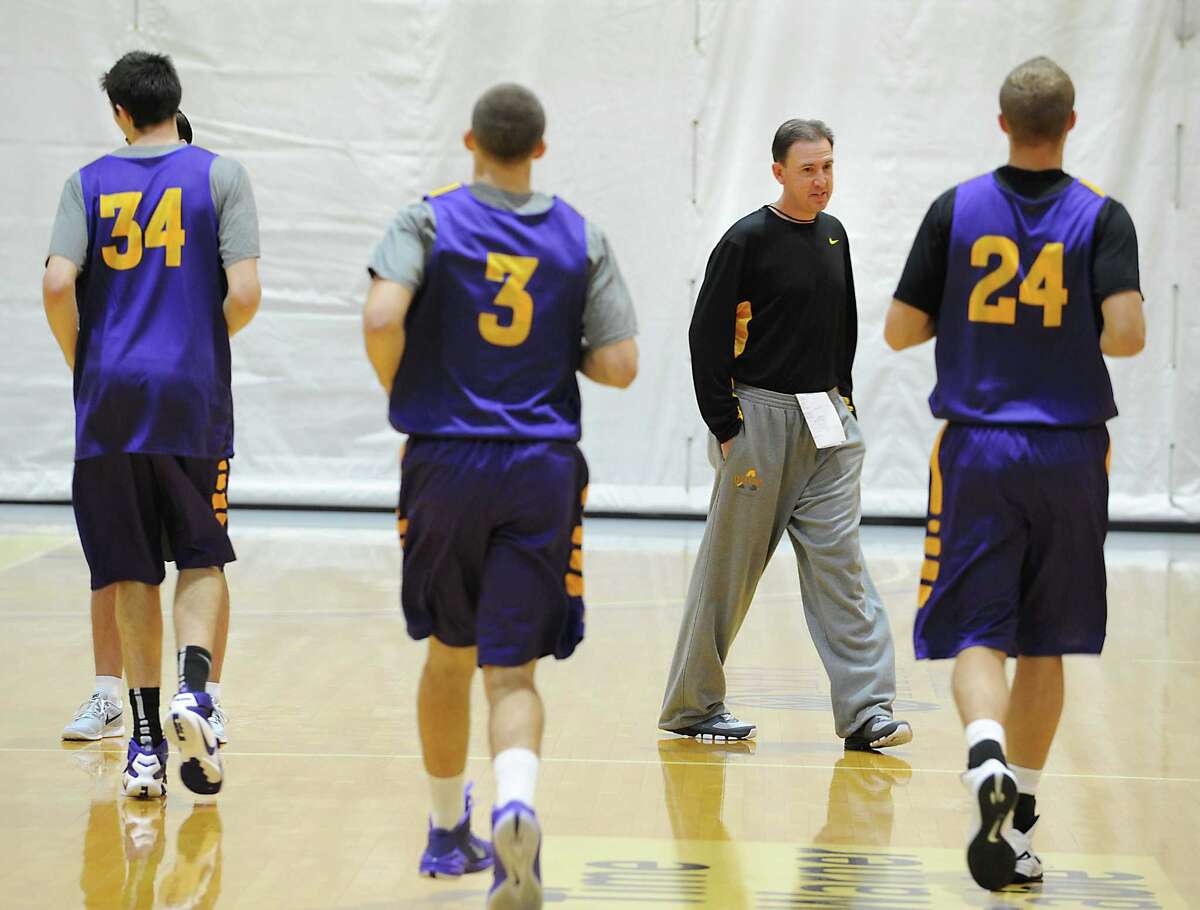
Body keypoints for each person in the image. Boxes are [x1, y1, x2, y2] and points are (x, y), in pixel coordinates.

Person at [364, 83, 637, 909]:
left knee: (448, 656)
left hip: (447, 458)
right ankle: (517, 804)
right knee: (512, 672)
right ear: (540, 149)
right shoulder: (580, 234)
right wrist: (562, 353)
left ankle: (450, 832)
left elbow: (383, 314)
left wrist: (402, 390)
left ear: (470, 140)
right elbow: (621, 365)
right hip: (541, 467)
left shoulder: (427, 219)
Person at [884, 56, 1144, 890]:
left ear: (1002, 123)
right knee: (1048, 642)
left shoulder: (954, 209)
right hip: (1070, 450)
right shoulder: (1102, 217)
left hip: (978, 450)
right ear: (1071, 123)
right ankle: (1018, 820)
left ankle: (982, 758)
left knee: (977, 634)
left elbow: (897, 330)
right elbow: (1128, 335)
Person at [43, 51, 261, 799]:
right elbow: (247, 291)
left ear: (119, 113)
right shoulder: (220, 175)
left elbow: (55, 283)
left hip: (108, 399)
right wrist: (196, 347)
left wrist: (87, 361)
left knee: (127, 569)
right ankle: (194, 693)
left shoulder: (85, 183)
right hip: (189, 396)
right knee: (200, 555)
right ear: (176, 100)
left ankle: (142, 750)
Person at [659, 119, 912, 752]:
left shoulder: (834, 236)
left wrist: (844, 398)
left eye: (828, 166)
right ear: (779, 171)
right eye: (807, 169)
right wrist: (725, 423)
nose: (821, 180)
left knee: (842, 570)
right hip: (759, 421)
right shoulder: (746, 240)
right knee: (730, 570)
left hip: (828, 424)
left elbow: (843, 323)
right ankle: (693, 707)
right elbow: (704, 335)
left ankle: (866, 712)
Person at [61, 113, 232, 749]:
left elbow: (56, 283)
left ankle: (200, 698)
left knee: (196, 555)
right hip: (161, 395)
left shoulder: (191, 192)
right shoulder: (206, 184)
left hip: (153, 395)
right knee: (148, 561)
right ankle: (115, 694)